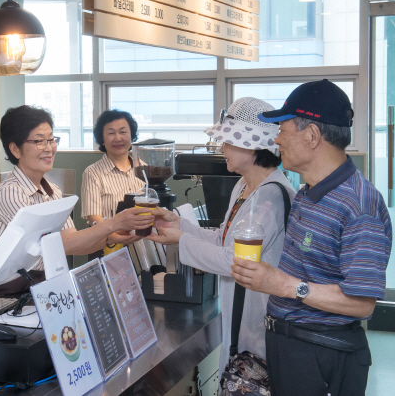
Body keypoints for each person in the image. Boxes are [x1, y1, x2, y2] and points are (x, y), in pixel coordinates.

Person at [230, 80, 392, 396]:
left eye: (283, 130)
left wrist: (282, 285)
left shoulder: (360, 205)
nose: (276, 140)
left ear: (312, 135)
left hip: (322, 355)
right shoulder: (307, 192)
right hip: (290, 346)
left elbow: (361, 303)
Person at [147, 97, 296, 374]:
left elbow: (233, 259)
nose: (222, 148)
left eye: (228, 141)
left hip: (257, 326)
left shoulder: (270, 197)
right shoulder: (245, 185)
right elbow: (223, 238)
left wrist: (180, 239)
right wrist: (178, 225)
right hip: (238, 315)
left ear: (252, 146)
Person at [0, 105, 152, 301]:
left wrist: (113, 237)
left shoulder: (53, 191)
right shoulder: (10, 192)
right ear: (15, 149)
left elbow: (73, 241)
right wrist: (114, 224)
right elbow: (59, 245)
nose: (49, 148)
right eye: (39, 141)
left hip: (34, 289)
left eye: (51, 139)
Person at [81, 109, 145, 256]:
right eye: (111, 133)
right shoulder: (92, 173)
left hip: (142, 246)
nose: (118, 138)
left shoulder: (143, 169)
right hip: (107, 247)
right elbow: (93, 218)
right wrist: (115, 236)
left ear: (131, 135)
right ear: (102, 139)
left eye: (123, 132)